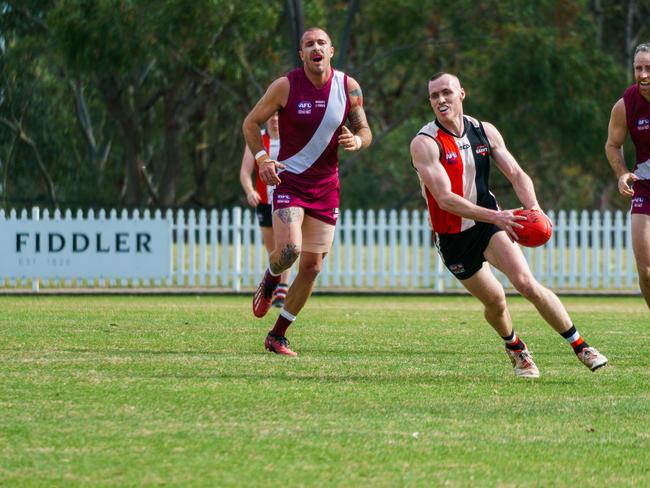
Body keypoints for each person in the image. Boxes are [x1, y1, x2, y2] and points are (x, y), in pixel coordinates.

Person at [410, 72, 608, 378]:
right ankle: (516, 349)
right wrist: (498, 217)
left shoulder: (484, 131)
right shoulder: (425, 143)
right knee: (495, 301)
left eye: (446, 92)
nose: (440, 100)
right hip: (452, 236)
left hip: (488, 225)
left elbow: (516, 174)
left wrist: (535, 209)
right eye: (434, 96)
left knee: (527, 283)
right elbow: (445, 199)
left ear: (461, 94)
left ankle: (581, 346)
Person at [242, 27, 372, 356]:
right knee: (289, 250)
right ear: (302, 55)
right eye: (308, 44)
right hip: (290, 183)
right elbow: (250, 123)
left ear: (330, 51)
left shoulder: (348, 87)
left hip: (326, 188)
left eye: (321, 43)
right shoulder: (285, 86)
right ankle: (272, 278)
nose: (316, 48)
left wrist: (356, 141)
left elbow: (365, 130)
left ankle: (277, 335)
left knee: (313, 267)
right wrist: (261, 159)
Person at [605, 42, 650, 311]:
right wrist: (622, 173)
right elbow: (612, 144)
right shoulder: (625, 106)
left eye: (649, 68)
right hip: (644, 188)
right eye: (638, 68)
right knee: (645, 270)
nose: (643, 74)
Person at [239, 112, 291, 308]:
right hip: (264, 202)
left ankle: (282, 291)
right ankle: (274, 284)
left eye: (279, 116)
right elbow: (245, 172)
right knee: (273, 249)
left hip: (286, 199)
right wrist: (250, 190)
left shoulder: (291, 136)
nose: (276, 120)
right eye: (272, 116)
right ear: (267, 118)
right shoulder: (258, 138)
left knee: (286, 246)